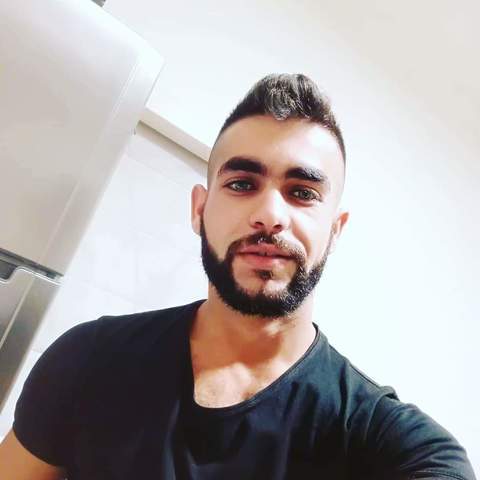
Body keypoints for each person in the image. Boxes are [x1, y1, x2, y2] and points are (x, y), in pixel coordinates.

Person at [0, 74, 476, 480]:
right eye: (242, 184)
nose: (270, 215)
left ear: (335, 231)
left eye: (302, 192)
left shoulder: (392, 443)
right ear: (200, 209)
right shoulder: (89, 359)